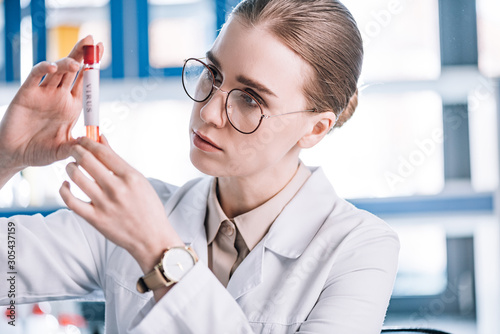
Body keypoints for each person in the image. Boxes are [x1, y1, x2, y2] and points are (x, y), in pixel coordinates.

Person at [0, 0, 399, 333]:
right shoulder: (136, 213)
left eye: (250, 99)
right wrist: (6, 156)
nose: (207, 111)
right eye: (213, 74)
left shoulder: (360, 248)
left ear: (315, 128)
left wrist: (160, 252)